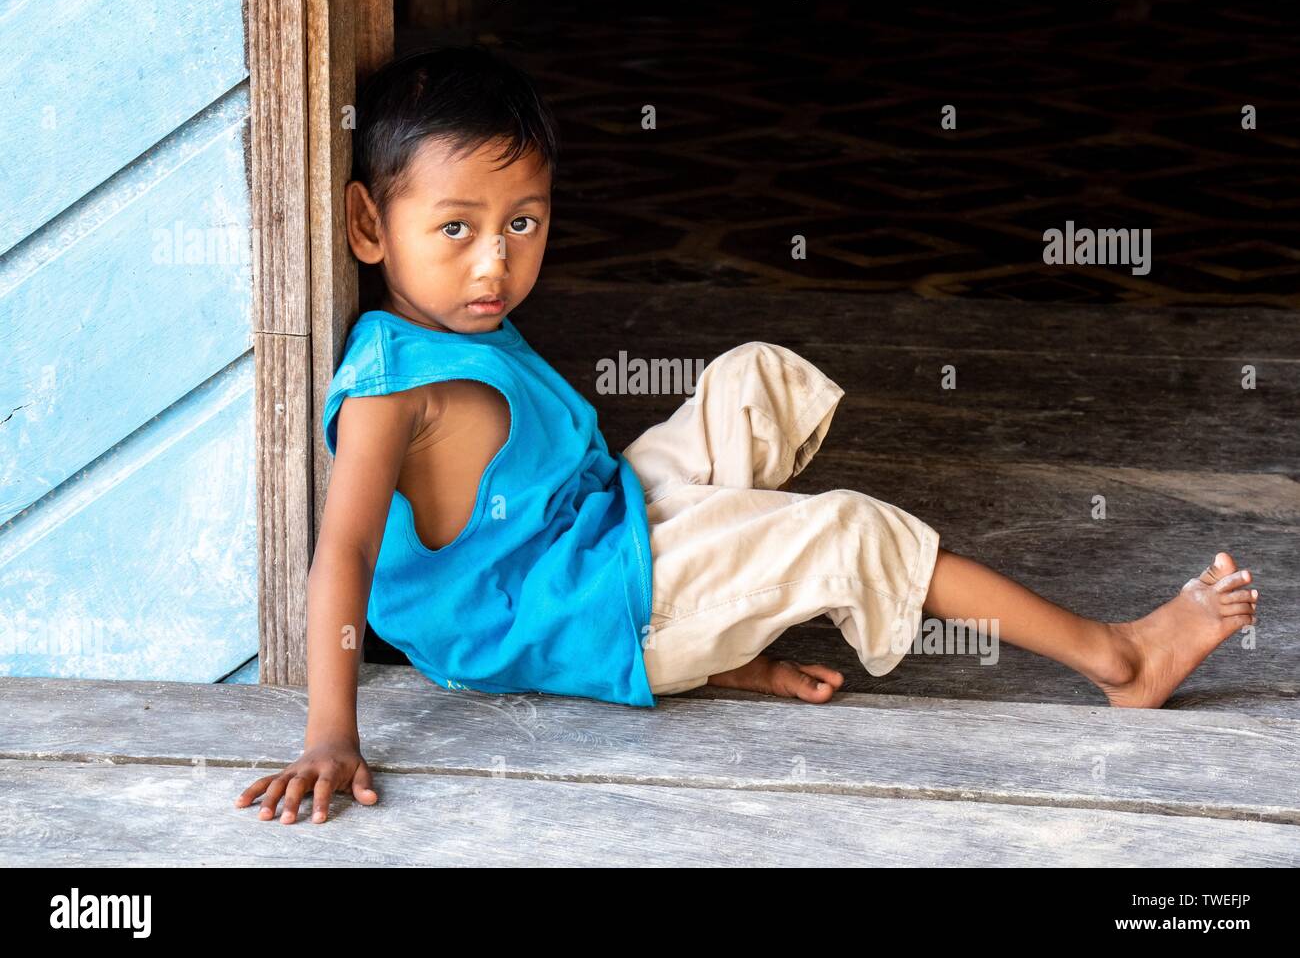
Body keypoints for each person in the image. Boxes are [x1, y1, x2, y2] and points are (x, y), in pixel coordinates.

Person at [234, 44, 1259, 826]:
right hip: (582, 608)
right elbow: (347, 555)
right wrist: (331, 732)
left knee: (752, 379)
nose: (493, 265)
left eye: (523, 222)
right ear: (370, 226)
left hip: (592, 532)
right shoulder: (389, 391)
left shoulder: (453, 323)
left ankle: (723, 623)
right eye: (454, 229)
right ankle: (1118, 661)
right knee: (846, 530)